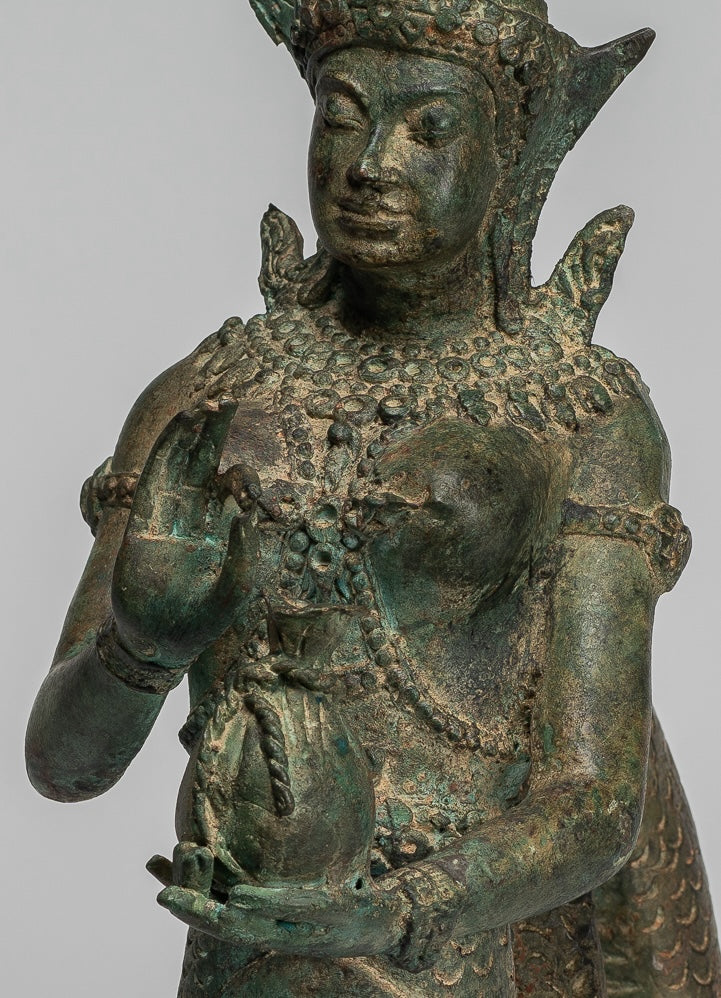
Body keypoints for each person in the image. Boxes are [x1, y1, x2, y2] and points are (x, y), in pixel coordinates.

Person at [25, 1, 721, 994]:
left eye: (429, 128)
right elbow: (63, 764)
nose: (369, 164)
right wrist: (141, 648)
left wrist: (399, 911)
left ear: (509, 157)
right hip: (241, 958)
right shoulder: (205, 400)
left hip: (451, 962)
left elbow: (595, 798)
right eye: (342, 117)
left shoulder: (580, 415)